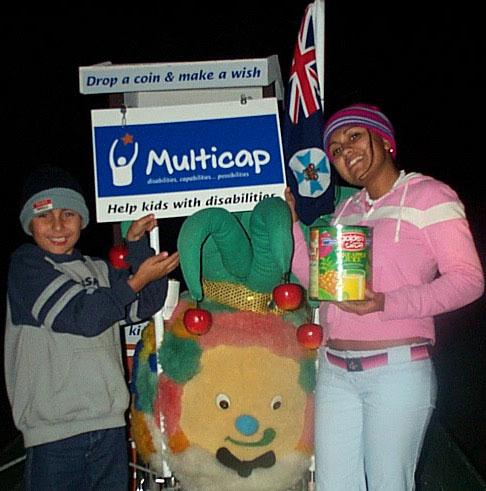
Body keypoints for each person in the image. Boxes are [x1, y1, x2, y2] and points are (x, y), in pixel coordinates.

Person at [288, 103, 484, 490]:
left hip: (396, 372)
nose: (346, 151)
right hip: (335, 373)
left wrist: (387, 302)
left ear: (384, 140)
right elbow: (322, 283)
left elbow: (468, 280)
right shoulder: (346, 210)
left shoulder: (429, 195)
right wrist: (292, 225)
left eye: (354, 137)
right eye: (336, 150)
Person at [4, 165, 180, 490]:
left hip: (109, 429)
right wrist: (136, 281)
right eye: (44, 216)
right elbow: (83, 317)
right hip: (54, 438)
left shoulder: (98, 269)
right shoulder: (27, 267)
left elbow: (146, 303)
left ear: (82, 220)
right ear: (29, 224)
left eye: (68, 214)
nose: (58, 225)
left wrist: (136, 243)